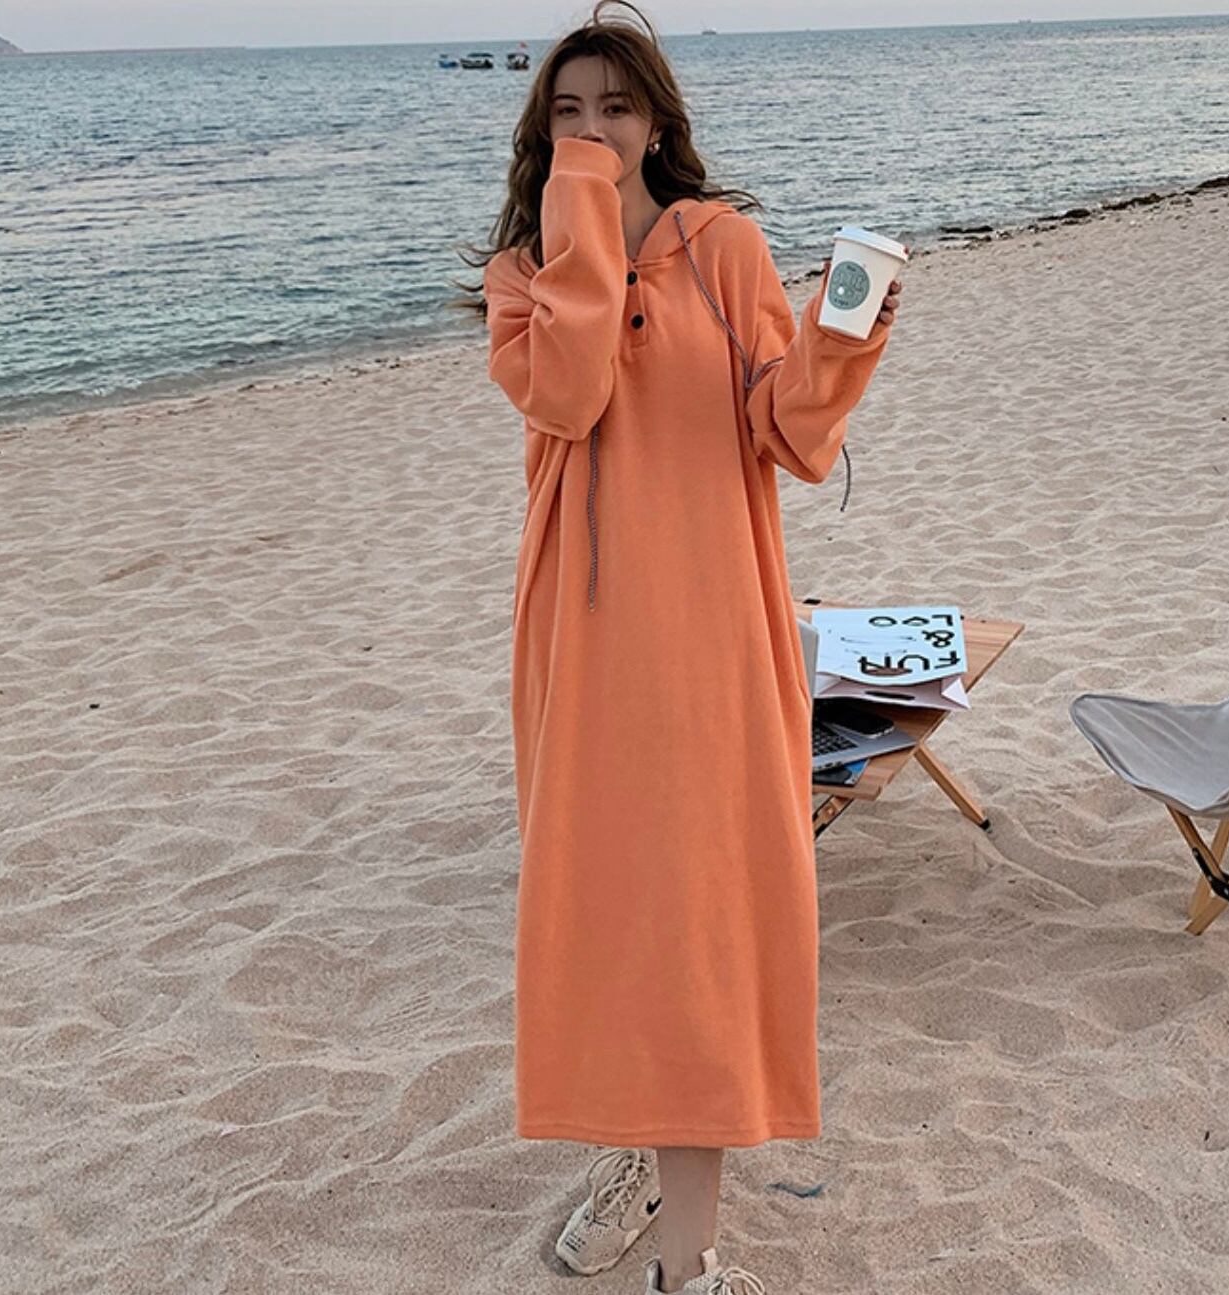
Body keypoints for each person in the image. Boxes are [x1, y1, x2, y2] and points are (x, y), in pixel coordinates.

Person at [468, 3, 900, 1291]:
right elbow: (571, 392)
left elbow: (789, 435)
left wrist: (840, 343)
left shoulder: (725, 248)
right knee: (607, 899)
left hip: (714, 617)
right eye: (567, 113)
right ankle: (633, 1156)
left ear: (659, 120)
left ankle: (689, 1260)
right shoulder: (525, 276)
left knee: (705, 905)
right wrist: (581, 217)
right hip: (588, 630)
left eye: (616, 108)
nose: (593, 130)